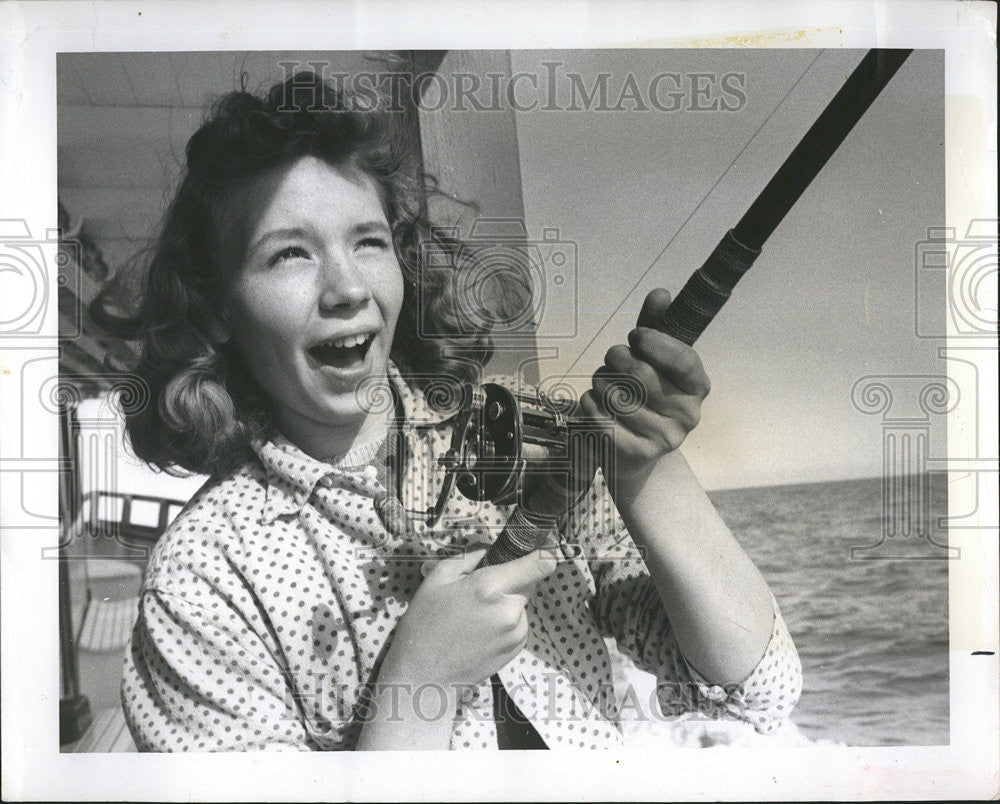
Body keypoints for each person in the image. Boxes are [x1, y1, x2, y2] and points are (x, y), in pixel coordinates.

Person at [99, 70, 801, 751]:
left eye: (368, 241)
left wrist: (648, 464)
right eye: (288, 254)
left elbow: (758, 689)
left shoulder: (530, 437)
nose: (346, 288)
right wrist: (420, 683)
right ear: (218, 308)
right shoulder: (200, 576)